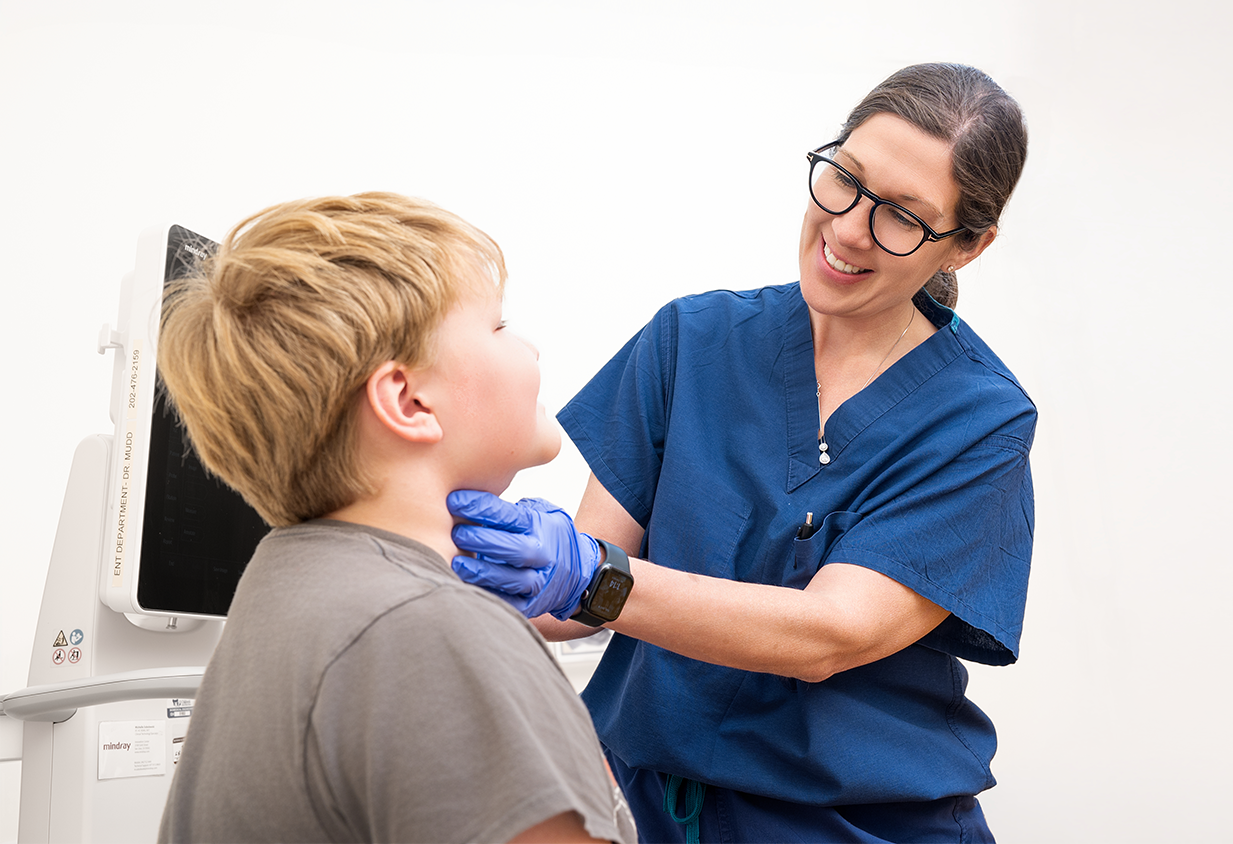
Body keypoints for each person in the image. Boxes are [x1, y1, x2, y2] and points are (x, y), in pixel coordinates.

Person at [450, 62, 1034, 844]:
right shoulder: (692, 341)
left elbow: (828, 636)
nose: (850, 228)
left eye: (901, 216)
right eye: (846, 180)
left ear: (966, 247)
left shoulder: (978, 421)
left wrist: (592, 577)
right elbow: (565, 609)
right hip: (648, 810)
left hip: (851, 825)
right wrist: (462, 552)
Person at [154, 193, 636, 844]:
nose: (532, 349)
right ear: (409, 401)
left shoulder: (292, 582)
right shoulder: (431, 628)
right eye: (498, 326)